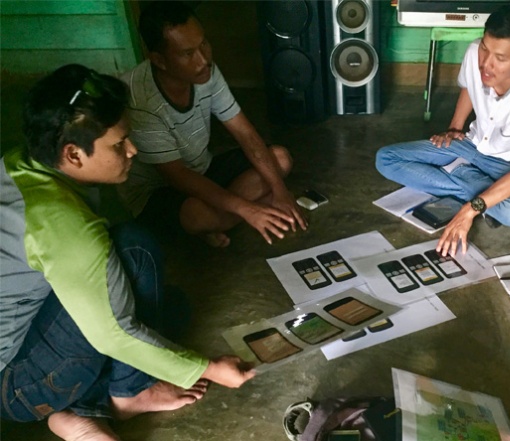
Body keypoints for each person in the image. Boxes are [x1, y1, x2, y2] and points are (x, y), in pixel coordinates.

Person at [0, 64, 255, 440]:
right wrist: (209, 368)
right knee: (135, 250)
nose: (133, 150)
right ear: (73, 154)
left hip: (24, 346)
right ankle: (123, 396)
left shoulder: (21, 163)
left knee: (172, 307)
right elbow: (115, 335)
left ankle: (72, 410)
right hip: (17, 387)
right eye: (119, 144)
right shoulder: (63, 225)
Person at [375, 4, 510, 257]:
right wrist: (454, 127)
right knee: (386, 159)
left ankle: (464, 178)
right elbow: (469, 88)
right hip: (470, 145)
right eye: (485, 49)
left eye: (500, 58)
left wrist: (468, 211)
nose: (486, 64)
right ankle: (482, 188)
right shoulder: (474, 50)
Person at [119, 0, 305, 248]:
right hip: (161, 191)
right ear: (159, 60)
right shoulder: (140, 99)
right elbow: (177, 176)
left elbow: (245, 133)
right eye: (187, 53)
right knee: (198, 214)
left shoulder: (205, 71)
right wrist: (248, 209)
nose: (203, 59)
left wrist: (280, 192)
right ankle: (222, 219)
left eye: (204, 43)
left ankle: (220, 222)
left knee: (280, 159)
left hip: (202, 169)